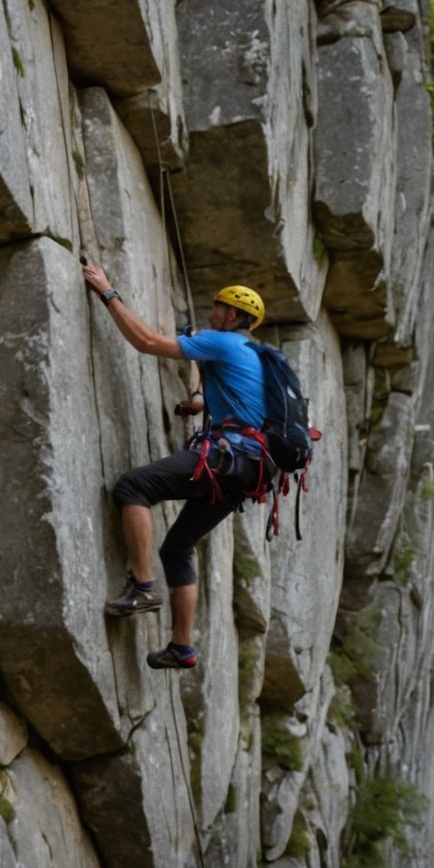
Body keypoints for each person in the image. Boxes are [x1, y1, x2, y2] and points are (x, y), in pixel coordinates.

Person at [82, 263, 267, 670]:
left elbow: (147, 341)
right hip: (248, 474)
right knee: (179, 547)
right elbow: (248, 404)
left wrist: (108, 292)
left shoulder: (224, 342)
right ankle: (183, 647)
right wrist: (203, 402)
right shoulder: (256, 355)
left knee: (133, 487)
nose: (212, 313)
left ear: (233, 316)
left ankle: (143, 587)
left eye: (219, 308)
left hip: (225, 459)